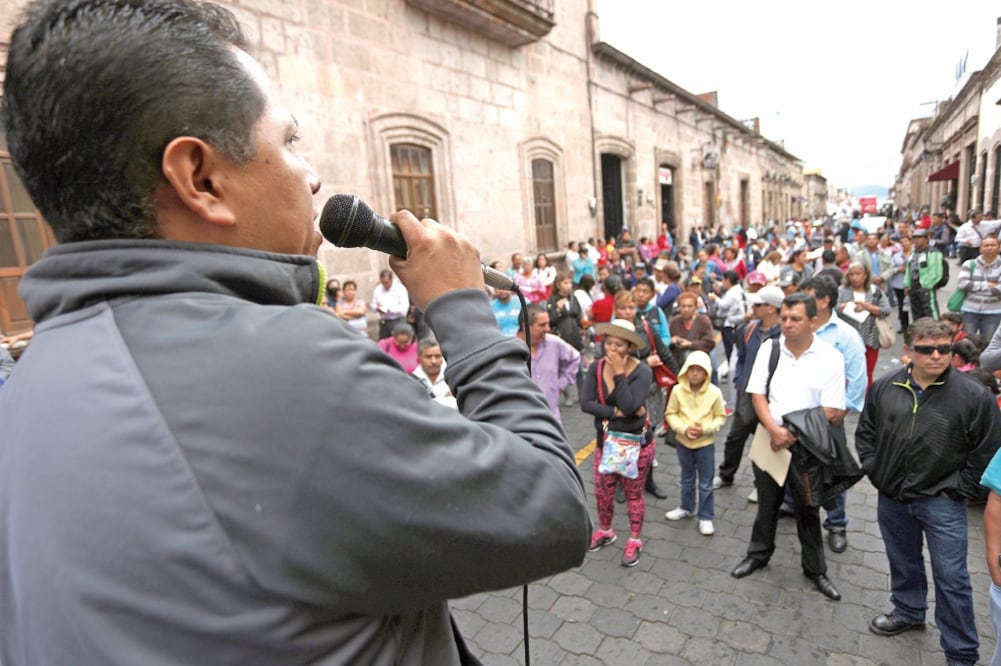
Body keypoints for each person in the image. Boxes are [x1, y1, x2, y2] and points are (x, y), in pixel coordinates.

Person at [0, 2, 592, 662]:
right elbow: (552, 511)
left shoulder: (27, 386)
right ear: (200, 178)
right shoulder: (278, 364)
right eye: (288, 142)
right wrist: (464, 312)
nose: (310, 175)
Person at [857, 319, 1001, 666]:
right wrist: (877, 472)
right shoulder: (886, 387)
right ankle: (908, 610)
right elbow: (866, 434)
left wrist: (957, 491)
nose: (936, 355)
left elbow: (987, 449)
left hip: (942, 504)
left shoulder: (973, 396)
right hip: (893, 497)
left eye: (945, 349)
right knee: (902, 561)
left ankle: (961, 653)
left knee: (952, 579)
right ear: (908, 351)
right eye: (927, 349)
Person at [730, 293, 846, 602]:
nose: (787, 324)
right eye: (783, 318)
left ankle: (815, 569)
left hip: (808, 448)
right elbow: (757, 395)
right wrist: (773, 429)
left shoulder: (831, 357)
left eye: (795, 319)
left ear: (813, 321)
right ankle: (758, 555)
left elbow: (833, 410)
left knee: (808, 509)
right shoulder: (771, 349)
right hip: (770, 441)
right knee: (767, 504)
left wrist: (792, 432)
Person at [799, 275, 867, 553]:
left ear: (825, 301)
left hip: (829, 419)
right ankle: (798, 506)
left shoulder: (845, 335)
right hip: (797, 414)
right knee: (798, 466)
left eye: (809, 295)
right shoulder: (799, 329)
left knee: (833, 470)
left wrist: (844, 409)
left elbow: (858, 376)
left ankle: (837, 522)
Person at [581, 318, 654, 567]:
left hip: (636, 444)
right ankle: (605, 530)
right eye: (608, 343)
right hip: (606, 442)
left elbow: (632, 404)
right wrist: (614, 413)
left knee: (634, 494)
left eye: (619, 345)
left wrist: (620, 375)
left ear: (630, 348)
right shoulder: (596, 367)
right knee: (603, 491)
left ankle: (634, 539)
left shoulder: (642, 371)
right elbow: (586, 403)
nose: (612, 349)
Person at [713, 285, 783, 493]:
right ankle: (726, 474)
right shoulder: (749, 329)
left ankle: (761, 484)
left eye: (759, 304)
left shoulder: (785, 335)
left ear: (771, 308)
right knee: (735, 437)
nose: (753, 307)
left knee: (764, 441)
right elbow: (741, 357)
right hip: (747, 394)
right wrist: (739, 380)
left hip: (771, 399)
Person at [664, 350, 726, 536]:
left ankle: (706, 516)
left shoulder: (715, 393)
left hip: (705, 444)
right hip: (683, 442)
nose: (695, 374)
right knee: (687, 476)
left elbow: (721, 418)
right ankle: (686, 506)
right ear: (685, 370)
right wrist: (683, 429)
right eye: (691, 369)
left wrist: (704, 429)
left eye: (700, 370)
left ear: (707, 372)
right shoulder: (677, 390)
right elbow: (670, 413)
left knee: (706, 482)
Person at [517, 305, 580, 422]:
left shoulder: (554, 343)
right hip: (521, 422)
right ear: (525, 326)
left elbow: (575, 358)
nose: (548, 329)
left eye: (548, 323)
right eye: (542, 325)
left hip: (551, 420)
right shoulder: (509, 350)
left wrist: (561, 385)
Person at [836, 262, 892, 387]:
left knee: (868, 371)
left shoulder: (874, 291)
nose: (854, 277)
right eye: (851, 274)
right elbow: (832, 309)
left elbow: (886, 310)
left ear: (865, 275)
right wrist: (844, 306)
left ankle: (867, 400)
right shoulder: (841, 291)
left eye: (857, 274)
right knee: (848, 372)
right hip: (847, 340)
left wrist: (868, 307)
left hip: (870, 338)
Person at [958, 233, 1001, 339]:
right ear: (980, 249)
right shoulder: (969, 264)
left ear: (999, 248)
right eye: (986, 245)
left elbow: (999, 290)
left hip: (993, 311)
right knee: (967, 343)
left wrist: (974, 286)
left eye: (993, 245)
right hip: (969, 309)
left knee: (987, 343)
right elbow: (963, 284)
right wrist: (988, 285)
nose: (989, 248)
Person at [905, 228, 946, 321]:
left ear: (926, 239)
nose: (916, 240)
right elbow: (909, 268)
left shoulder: (933, 252)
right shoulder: (914, 252)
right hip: (914, 288)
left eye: (919, 238)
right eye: (914, 238)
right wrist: (907, 284)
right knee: (916, 313)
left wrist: (928, 285)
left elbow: (936, 271)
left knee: (930, 312)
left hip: (925, 288)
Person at [410, 338, 457, 409]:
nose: (433, 361)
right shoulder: (411, 381)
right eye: (428, 357)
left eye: (437, 356)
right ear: (419, 358)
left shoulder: (454, 376)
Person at [371, 268, 411, 340]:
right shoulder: (378, 289)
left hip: (397, 320)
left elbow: (404, 307)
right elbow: (373, 305)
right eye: (382, 282)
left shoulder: (400, 288)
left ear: (391, 279)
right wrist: (376, 308)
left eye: (386, 282)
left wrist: (389, 309)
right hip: (384, 322)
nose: (384, 285)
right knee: (383, 344)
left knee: (398, 343)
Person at [888, 234, 913, 333]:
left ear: (911, 242)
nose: (904, 244)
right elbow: (890, 269)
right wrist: (898, 269)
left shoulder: (915, 255)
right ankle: (904, 325)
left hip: (913, 284)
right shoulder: (896, 256)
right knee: (902, 305)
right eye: (902, 242)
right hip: (899, 284)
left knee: (915, 305)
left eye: (906, 241)